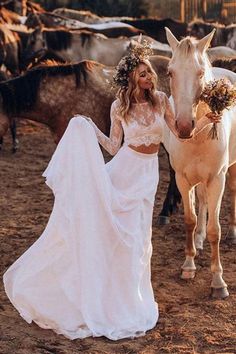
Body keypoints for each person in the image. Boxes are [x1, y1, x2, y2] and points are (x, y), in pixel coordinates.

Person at [3, 38, 220, 341]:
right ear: (132, 77)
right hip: (124, 170)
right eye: (142, 73)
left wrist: (206, 121)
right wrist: (88, 128)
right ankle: (109, 296)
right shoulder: (120, 105)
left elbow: (180, 136)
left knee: (139, 239)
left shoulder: (161, 100)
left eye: (149, 73)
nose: (148, 78)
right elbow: (113, 146)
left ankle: (132, 298)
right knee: (118, 235)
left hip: (146, 176)